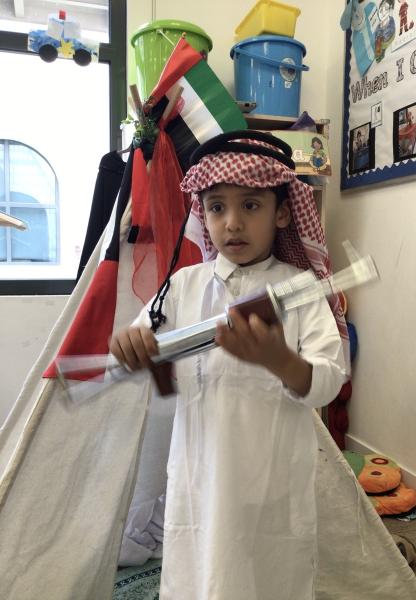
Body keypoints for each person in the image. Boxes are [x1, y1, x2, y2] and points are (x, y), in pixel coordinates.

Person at [110, 130, 348, 600]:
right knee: (201, 576)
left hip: (271, 484)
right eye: (217, 207)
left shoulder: (300, 290)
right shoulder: (182, 287)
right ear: (203, 214)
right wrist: (131, 349)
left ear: (283, 212)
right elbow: (149, 365)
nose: (232, 223)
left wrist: (278, 359)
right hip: (199, 479)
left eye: (251, 205)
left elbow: (328, 382)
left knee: (269, 578)